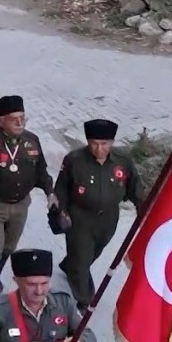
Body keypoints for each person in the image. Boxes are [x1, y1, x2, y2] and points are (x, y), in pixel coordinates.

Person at [54, 119, 143, 310]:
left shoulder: (122, 160)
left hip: (109, 219)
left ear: (111, 143)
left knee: (94, 252)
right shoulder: (74, 160)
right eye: (94, 143)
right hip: (80, 218)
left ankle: (69, 265)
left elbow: (135, 186)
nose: (98, 148)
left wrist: (142, 208)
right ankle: (85, 299)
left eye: (104, 144)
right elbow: (61, 188)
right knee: (82, 261)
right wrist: (61, 211)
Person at [0, 95, 55, 301]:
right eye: (14, 119)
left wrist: (50, 192)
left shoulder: (32, 140)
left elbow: (41, 171)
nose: (20, 123)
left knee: (8, 248)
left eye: (23, 118)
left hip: (20, 205)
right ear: (0, 121)